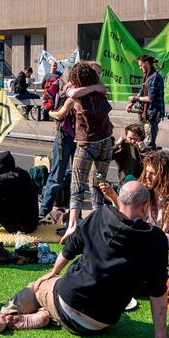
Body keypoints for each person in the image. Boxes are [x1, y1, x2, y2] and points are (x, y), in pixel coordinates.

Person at [0, 181, 169, 338]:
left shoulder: (99, 216)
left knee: (36, 287)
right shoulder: (156, 239)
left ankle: (2, 317)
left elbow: (70, 247)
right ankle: (44, 316)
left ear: (120, 199)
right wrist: (160, 335)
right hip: (97, 324)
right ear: (144, 207)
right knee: (56, 300)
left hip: (68, 300)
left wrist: (52, 273)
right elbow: (158, 293)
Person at [49, 62, 113, 243]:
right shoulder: (101, 91)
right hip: (106, 142)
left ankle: (72, 225)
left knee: (77, 186)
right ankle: (99, 223)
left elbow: (61, 112)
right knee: (98, 185)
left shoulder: (75, 99)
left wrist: (51, 113)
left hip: (87, 144)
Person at [38, 68, 76, 217]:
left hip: (80, 137)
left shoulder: (86, 89)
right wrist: (51, 112)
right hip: (64, 136)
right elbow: (47, 102)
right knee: (56, 176)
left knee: (76, 177)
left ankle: (74, 214)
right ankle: (43, 211)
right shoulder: (60, 86)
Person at [129, 54, 164, 150]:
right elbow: (141, 92)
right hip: (146, 113)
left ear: (147, 64)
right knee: (142, 138)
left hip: (152, 113)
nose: (140, 68)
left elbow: (150, 98)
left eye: (141, 65)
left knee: (149, 143)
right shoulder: (147, 76)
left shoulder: (155, 77)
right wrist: (132, 103)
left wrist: (135, 99)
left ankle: (150, 161)